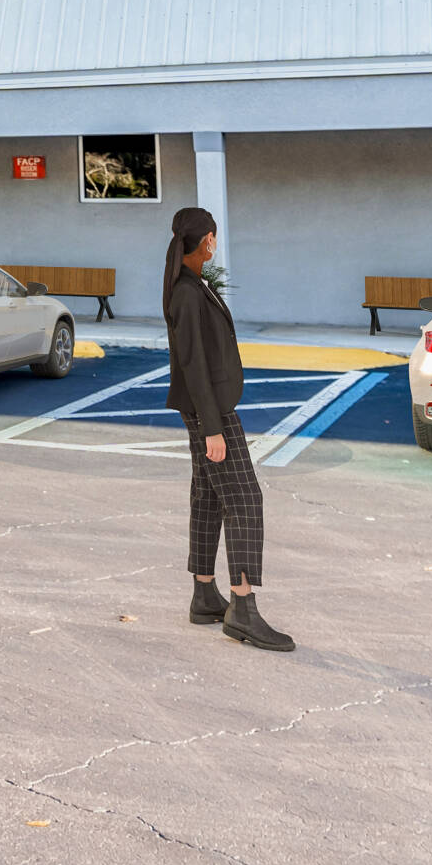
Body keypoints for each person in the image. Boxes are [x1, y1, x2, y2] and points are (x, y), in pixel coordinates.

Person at [163, 205, 291, 651]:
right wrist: (212, 428)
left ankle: (204, 595)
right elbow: (194, 364)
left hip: (208, 410)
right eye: (213, 237)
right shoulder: (186, 292)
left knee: (209, 495)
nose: (216, 244)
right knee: (244, 499)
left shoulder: (193, 284)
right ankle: (243, 608)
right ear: (207, 241)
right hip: (211, 411)